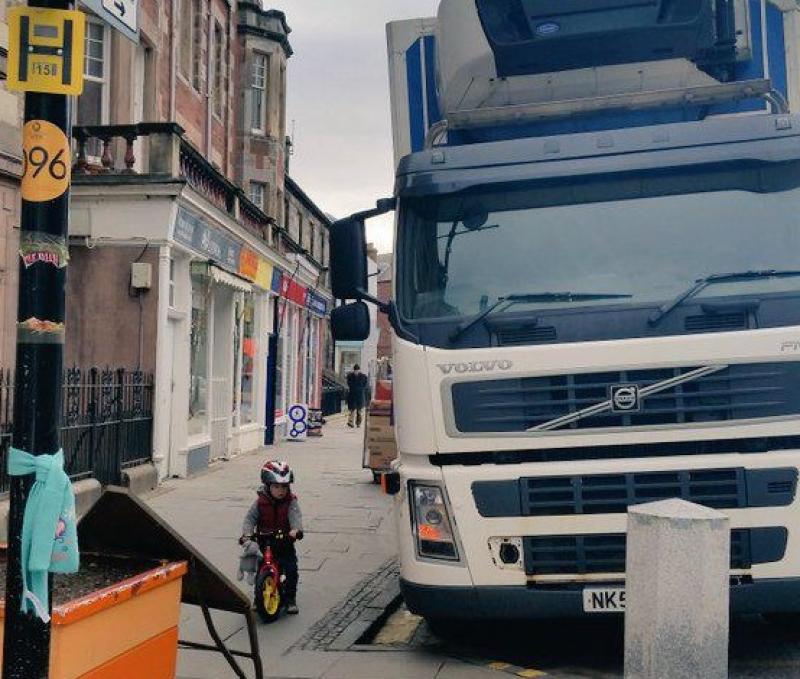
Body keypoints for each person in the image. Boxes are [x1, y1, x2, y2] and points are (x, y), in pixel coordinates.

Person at [241, 460, 303, 614]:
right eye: (276, 486)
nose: (280, 490)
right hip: (264, 540)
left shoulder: (291, 502)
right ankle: (258, 598)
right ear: (268, 486)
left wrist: (296, 530)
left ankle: (290, 599)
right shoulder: (260, 503)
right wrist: (247, 535)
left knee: (291, 569)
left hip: (284, 542)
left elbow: (295, 517)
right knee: (261, 568)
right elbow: (249, 519)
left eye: (284, 486)